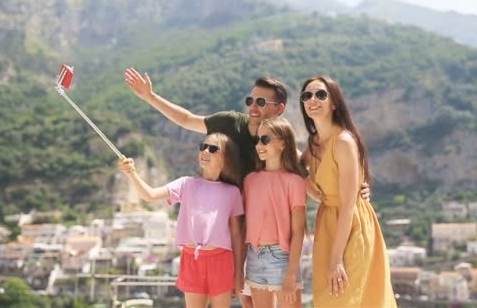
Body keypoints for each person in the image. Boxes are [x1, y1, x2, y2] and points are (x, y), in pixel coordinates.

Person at [123, 68, 371, 306]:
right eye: (250, 99)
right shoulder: (231, 123)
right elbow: (187, 119)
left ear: (279, 109)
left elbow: (317, 178)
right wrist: (150, 97)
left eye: (261, 102)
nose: (253, 106)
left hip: (259, 238)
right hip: (225, 230)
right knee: (242, 298)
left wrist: (359, 188)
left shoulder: (279, 145)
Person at [300, 76, 396, 308]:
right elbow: (297, 166)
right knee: (329, 300)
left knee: (348, 298)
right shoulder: (313, 142)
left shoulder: (343, 141)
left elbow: (348, 205)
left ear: (334, 103)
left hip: (351, 227)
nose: (313, 99)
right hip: (327, 226)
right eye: (307, 95)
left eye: (320, 94)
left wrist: (335, 260)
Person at [118, 133, 245, 308]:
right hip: (191, 260)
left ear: (225, 158)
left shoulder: (232, 192)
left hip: (221, 261)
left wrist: (238, 276)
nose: (205, 151)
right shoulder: (186, 184)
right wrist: (131, 173)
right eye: (203, 146)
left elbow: (237, 236)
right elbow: (150, 195)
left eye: (213, 148)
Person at [243, 117, 307, 308]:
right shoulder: (249, 180)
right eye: (257, 140)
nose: (259, 145)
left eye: (265, 139)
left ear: (283, 143)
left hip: (282, 258)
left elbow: (298, 232)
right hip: (253, 255)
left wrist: (291, 274)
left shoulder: (295, 181)